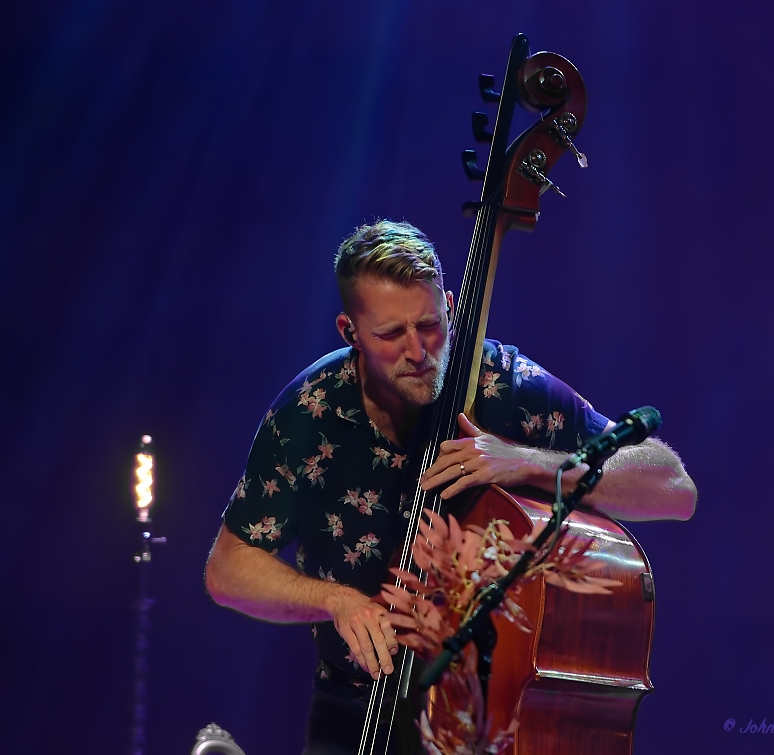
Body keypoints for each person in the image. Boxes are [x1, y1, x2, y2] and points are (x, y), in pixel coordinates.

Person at [205, 220, 696, 754]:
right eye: (391, 335)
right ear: (349, 333)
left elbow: (672, 485)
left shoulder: (501, 382)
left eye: (431, 324)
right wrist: (337, 601)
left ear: (452, 304)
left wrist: (531, 463)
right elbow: (228, 569)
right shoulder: (312, 410)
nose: (419, 351)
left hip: (491, 717)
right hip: (355, 711)